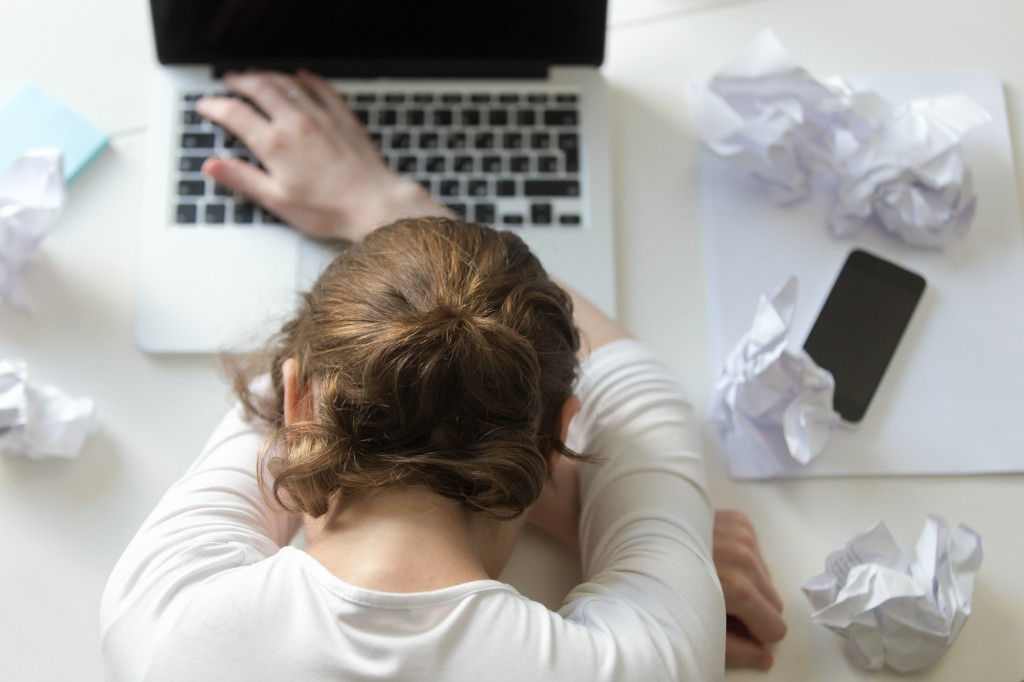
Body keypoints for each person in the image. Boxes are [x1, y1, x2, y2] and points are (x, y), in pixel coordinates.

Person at [100, 70, 785, 679]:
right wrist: (659, 531)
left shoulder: (162, 625)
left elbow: (287, 391)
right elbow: (639, 392)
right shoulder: (648, 661)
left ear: (297, 401)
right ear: (561, 438)